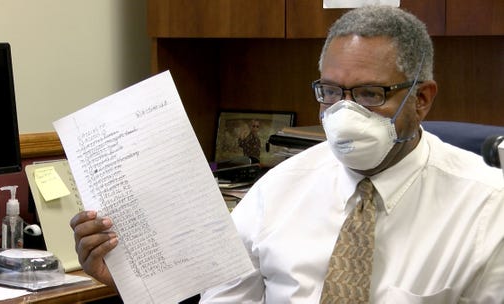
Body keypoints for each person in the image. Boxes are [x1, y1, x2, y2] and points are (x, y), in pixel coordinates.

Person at [70, 5, 504, 303]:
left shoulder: (489, 207)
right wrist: (142, 283)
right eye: (331, 92)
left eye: (371, 94)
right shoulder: (276, 190)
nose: (345, 112)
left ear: (422, 99)